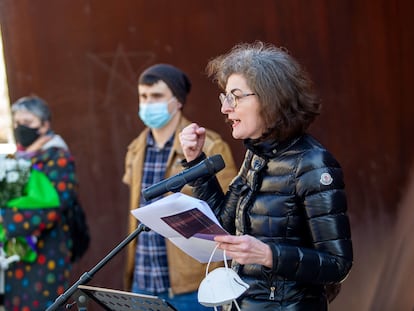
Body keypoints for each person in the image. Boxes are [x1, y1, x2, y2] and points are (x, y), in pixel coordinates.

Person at [179, 42, 353, 310]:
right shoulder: (257, 155)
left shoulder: (314, 164)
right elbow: (225, 226)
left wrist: (268, 254)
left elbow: (337, 265)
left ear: (271, 98)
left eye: (235, 97)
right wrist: (195, 161)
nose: (226, 108)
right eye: (225, 97)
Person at [123, 64, 237, 311]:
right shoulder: (135, 149)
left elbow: (229, 211)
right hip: (143, 280)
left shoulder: (211, 145)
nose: (147, 103)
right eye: (143, 96)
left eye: (156, 96)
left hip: (192, 284)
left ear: (177, 101)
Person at [1, 96, 77, 310]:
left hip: (47, 255)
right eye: (17, 123)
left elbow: (52, 208)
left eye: (27, 122)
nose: (20, 128)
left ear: (45, 125)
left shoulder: (57, 157)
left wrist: (5, 219)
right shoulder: (17, 157)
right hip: (16, 255)